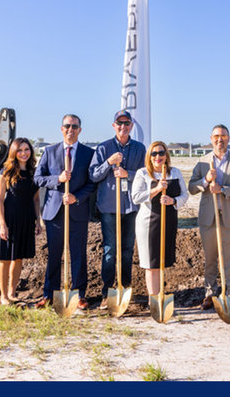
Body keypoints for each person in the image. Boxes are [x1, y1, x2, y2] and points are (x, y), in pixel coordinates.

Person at [34, 114, 96, 310]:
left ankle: (78, 294)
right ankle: (49, 294)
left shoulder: (88, 153)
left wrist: (76, 197)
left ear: (80, 130)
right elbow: (38, 178)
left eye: (74, 126)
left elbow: (92, 183)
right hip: (54, 211)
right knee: (54, 254)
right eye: (67, 126)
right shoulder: (50, 151)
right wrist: (57, 180)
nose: (70, 129)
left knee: (78, 254)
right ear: (62, 129)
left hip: (77, 211)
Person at [188, 124, 230, 310]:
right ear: (211, 138)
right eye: (216, 136)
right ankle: (210, 293)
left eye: (223, 136)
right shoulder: (202, 162)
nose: (219, 139)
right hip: (209, 217)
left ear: (228, 139)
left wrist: (222, 189)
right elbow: (191, 187)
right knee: (210, 257)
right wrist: (205, 180)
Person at [89, 110, 146, 298]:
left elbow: (144, 175)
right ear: (114, 125)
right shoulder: (103, 148)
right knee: (110, 250)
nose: (123, 127)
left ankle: (125, 288)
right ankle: (107, 291)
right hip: (109, 207)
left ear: (131, 125)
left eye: (126, 123)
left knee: (128, 250)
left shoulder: (139, 148)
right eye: (119, 123)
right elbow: (94, 175)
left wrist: (127, 174)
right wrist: (108, 162)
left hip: (131, 206)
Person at [131, 141, 189, 300]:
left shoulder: (175, 172)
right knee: (151, 263)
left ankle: (161, 296)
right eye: (154, 153)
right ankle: (154, 300)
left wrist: (174, 201)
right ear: (149, 157)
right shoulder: (142, 173)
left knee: (163, 262)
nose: (158, 156)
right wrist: (156, 189)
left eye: (161, 153)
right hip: (149, 223)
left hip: (169, 221)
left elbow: (185, 195)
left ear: (166, 156)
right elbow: (136, 197)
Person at [0, 137, 42, 305]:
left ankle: (12, 293)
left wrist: (38, 220)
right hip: (9, 218)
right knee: (4, 259)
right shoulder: (6, 171)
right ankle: (3, 296)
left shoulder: (34, 171)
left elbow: (36, 199)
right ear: (14, 152)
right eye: (20, 150)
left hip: (26, 218)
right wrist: (2, 224)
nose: (23, 153)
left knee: (18, 258)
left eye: (26, 149)